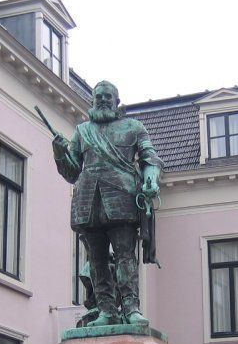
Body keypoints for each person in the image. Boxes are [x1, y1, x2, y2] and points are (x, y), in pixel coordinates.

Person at [52, 80, 162, 327]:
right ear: (92, 101)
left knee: (125, 257)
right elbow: (71, 172)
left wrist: (151, 178)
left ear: (117, 102)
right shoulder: (82, 131)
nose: (102, 100)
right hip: (87, 202)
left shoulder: (134, 127)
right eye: (98, 96)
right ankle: (107, 310)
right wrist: (59, 152)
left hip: (121, 198)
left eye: (107, 96)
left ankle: (132, 308)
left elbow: (150, 157)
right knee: (97, 261)